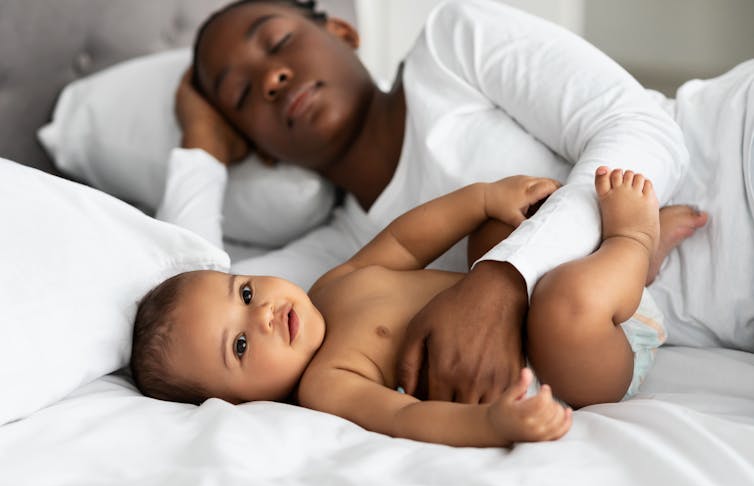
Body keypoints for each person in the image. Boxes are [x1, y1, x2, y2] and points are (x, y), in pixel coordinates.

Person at [164, 0, 750, 407]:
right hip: (715, 314)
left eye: (278, 41)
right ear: (260, 150)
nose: (272, 77)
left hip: (732, 151)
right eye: (242, 95)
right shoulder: (334, 270)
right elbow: (186, 299)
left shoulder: (450, 46)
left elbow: (644, 129)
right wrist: (201, 148)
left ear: (342, 33)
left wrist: (501, 279)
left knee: (494, 232)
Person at [132, 167, 678, 447]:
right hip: (578, 364)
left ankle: (625, 276)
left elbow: (403, 244)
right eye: (242, 345)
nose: (263, 314)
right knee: (564, 306)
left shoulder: (330, 287)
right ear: (240, 402)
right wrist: (492, 423)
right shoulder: (327, 383)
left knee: (495, 234)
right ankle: (634, 241)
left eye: (246, 292)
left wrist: (481, 198)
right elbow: (408, 417)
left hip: (522, 301)